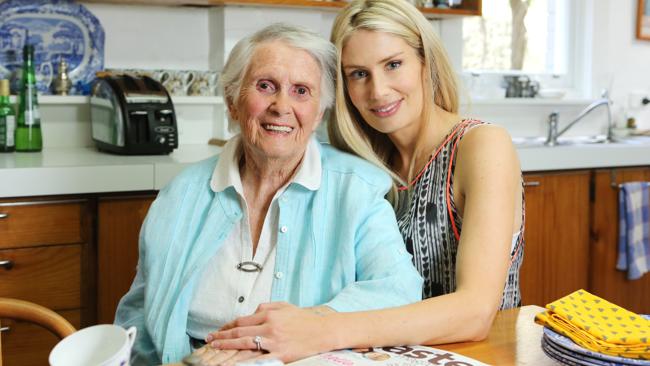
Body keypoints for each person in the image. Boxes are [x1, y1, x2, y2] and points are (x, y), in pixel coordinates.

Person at [206, 0, 525, 362]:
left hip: (478, 355)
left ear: (425, 61)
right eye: (359, 74)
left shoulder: (481, 146)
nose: (378, 91)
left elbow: (475, 313)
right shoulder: (360, 162)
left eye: (393, 64)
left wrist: (319, 328)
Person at [114, 22, 423, 365]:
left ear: (319, 112)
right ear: (233, 101)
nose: (281, 105)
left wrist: (307, 326)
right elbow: (137, 316)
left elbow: (399, 290)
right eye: (265, 86)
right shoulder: (179, 196)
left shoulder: (357, 190)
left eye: (302, 91)